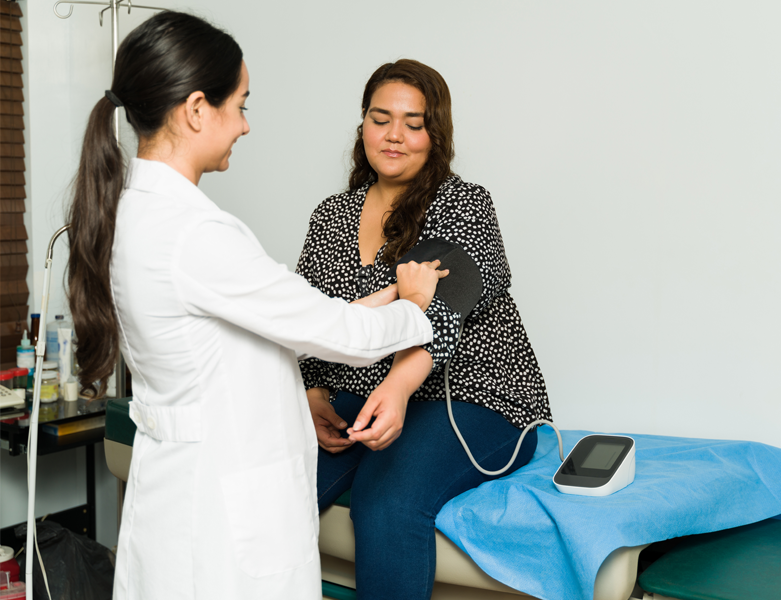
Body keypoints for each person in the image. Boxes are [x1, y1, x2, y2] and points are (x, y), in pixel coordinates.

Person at [65, 14, 446, 600]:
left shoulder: (131, 213)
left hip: (178, 497)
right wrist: (415, 306)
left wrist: (384, 296)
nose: (244, 126)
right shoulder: (198, 233)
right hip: (223, 516)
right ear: (197, 109)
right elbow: (339, 332)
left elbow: (270, 321)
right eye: (240, 105)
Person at [296, 59, 554, 599]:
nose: (394, 136)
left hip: (475, 398)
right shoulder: (331, 217)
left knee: (386, 499)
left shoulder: (465, 204)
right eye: (380, 118)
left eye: (414, 123)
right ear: (361, 124)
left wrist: (396, 387)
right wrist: (316, 391)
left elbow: (446, 308)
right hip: (369, 394)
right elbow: (313, 313)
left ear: (437, 136)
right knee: (278, 481)